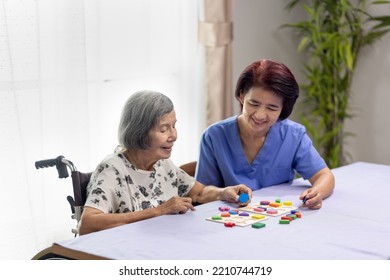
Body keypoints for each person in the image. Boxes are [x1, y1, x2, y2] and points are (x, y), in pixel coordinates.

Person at [78, 90, 252, 235]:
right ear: (139, 132)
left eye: (173, 126)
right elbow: (87, 223)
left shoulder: (162, 164)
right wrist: (158, 211)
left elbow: (199, 192)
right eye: (163, 129)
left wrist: (224, 192)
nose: (173, 136)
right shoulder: (113, 169)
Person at [195, 59, 335, 210]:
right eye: (253, 104)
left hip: (278, 217)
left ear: (283, 108)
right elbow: (200, 192)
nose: (260, 115)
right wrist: (221, 193)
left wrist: (317, 192)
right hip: (231, 219)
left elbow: (324, 175)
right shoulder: (214, 136)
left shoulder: (293, 135)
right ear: (241, 96)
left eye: (272, 108)